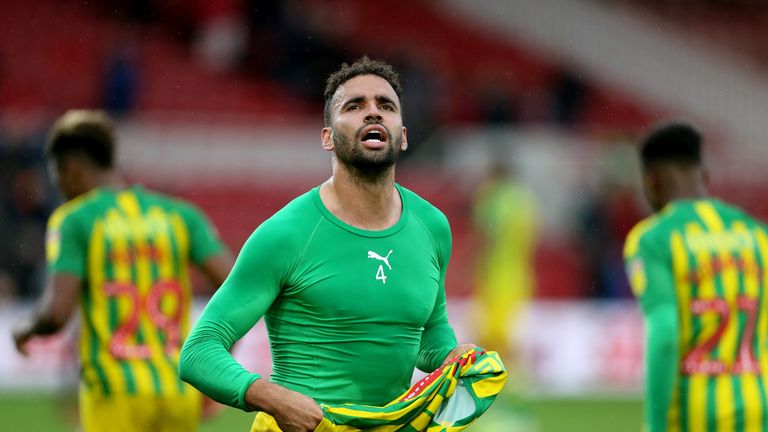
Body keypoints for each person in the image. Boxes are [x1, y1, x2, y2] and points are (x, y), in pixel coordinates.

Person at [178, 57, 485, 432]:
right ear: (328, 137)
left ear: (403, 135)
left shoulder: (432, 226)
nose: (373, 113)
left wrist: (452, 355)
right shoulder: (286, 234)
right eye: (354, 106)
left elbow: (429, 330)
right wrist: (272, 397)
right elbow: (199, 350)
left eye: (385, 106)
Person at [11, 110, 233, 432]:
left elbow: (56, 314)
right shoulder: (180, 215)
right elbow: (236, 289)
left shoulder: (74, 219)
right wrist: (214, 367)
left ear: (69, 168)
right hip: (178, 388)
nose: (58, 186)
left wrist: (25, 329)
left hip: (113, 389)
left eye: (56, 176)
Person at [624, 122, 768, 432]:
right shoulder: (757, 234)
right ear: (704, 176)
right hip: (759, 406)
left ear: (651, 181)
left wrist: (656, 424)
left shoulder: (653, 239)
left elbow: (664, 333)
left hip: (696, 411)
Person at [471, 160, 536, 365]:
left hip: (497, 274)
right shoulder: (523, 200)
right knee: (504, 329)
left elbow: (488, 235)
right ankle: (510, 372)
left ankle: (506, 372)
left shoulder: (494, 199)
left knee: (494, 331)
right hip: (518, 273)